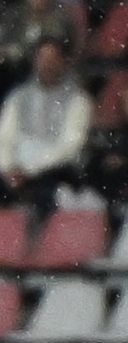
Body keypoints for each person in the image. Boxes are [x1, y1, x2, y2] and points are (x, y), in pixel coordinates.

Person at [0, 38, 86, 215]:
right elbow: (5, 138)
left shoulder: (78, 101)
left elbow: (70, 147)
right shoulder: (18, 97)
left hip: (53, 171)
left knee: (49, 192)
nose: (47, 64)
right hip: (15, 170)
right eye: (43, 58)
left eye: (52, 58)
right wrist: (9, 169)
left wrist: (30, 170)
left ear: (63, 62)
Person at [0, 0, 78, 98]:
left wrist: (17, 52)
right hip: (11, 70)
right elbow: (4, 40)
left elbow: (51, 47)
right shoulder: (15, 15)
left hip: (39, 69)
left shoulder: (59, 20)